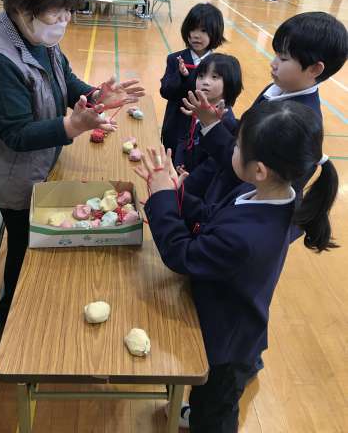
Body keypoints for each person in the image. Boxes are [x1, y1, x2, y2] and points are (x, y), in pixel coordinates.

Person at [0, 0, 145, 327]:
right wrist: (73, 126)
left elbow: (64, 80)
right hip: (12, 172)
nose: (64, 21)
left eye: (68, 12)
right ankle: (11, 316)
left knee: (35, 238)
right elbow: (15, 134)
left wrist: (95, 95)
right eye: (56, 13)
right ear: (22, 6)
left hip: (39, 160)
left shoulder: (37, 35)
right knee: (22, 243)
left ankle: (20, 305)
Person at [136, 100, 339, 432]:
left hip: (227, 342)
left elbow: (183, 255)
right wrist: (176, 193)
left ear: (259, 169)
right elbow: (212, 217)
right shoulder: (267, 194)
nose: (232, 148)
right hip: (230, 315)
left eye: (237, 145)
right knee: (207, 400)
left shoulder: (248, 236)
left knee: (214, 412)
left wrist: (161, 199)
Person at [178, 11, 347, 225]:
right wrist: (222, 121)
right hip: (221, 184)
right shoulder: (276, 88)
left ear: (314, 68)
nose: (273, 63)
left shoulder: (294, 123)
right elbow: (247, 135)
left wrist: (210, 124)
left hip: (235, 206)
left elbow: (245, 166)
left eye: (283, 58)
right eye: (276, 54)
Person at [160, 3, 226, 158]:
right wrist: (181, 76)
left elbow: (225, 98)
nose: (196, 35)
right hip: (175, 129)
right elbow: (166, 92)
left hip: (203, 131)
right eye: (192, 29)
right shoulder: (175, 59)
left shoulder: (220, 65)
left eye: (203, 30)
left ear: (215, 32)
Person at [174, 53, 243, 173]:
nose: (205, 82)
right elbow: (186, 138)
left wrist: (189, 178)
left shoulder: (227, 122)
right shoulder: (198, 109)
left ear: (230, 82)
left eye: (214, 77)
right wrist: (179, 160)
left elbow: (212, 166)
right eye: (201, 76)